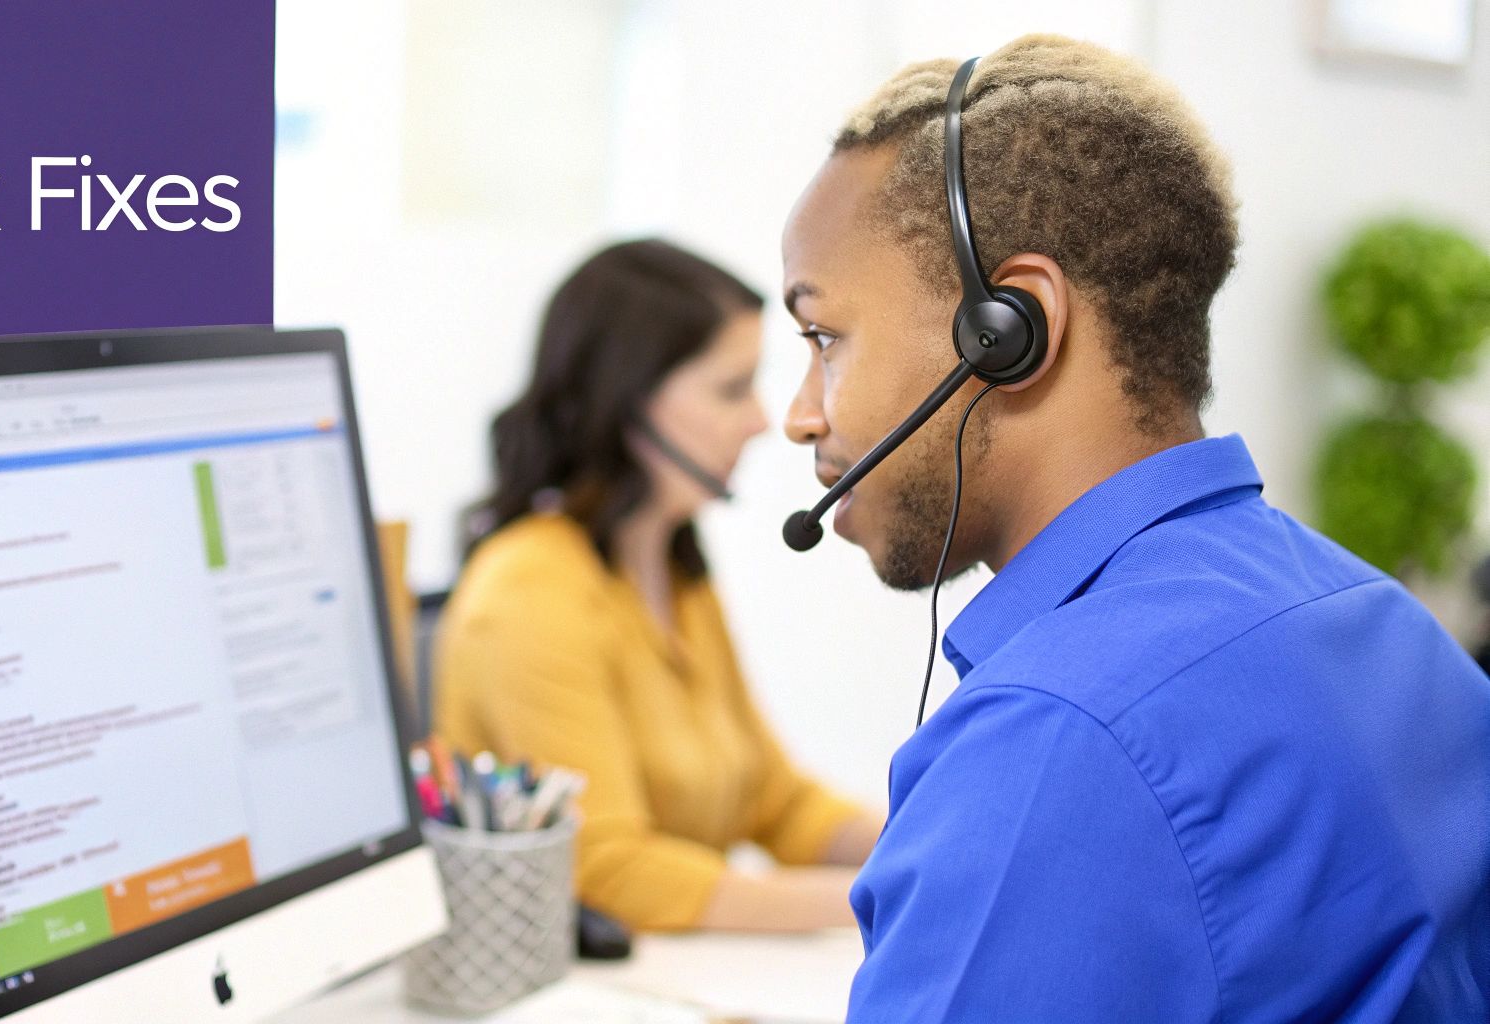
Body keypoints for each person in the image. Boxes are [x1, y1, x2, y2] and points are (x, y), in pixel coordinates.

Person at [779, 34, 1490, 1021]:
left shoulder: (1055, 740)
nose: (799, 413)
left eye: (823, 338)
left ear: (1006, 328)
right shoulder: (1392, 631)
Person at [434, 239, 886, 933]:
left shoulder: (672, 566)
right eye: (732, 388)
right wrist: (884, 901)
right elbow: (608, 869)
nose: (766, 420)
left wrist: (934, 852)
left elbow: (774, 803)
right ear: (631, 400)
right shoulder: (528, 591)